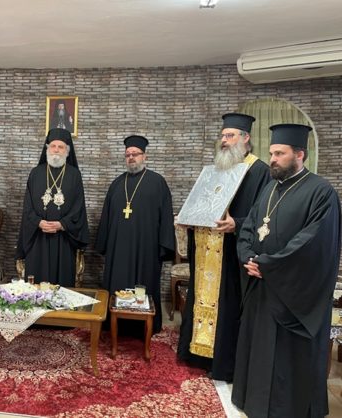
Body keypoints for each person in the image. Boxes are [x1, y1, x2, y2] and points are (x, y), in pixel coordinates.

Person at [232, 123, 340, 417]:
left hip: (291, 293)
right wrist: (248, 257)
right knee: (258, 348)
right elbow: (249, 228)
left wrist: (268, 264)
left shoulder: (321, 192)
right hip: (261, 286)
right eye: (271, 153)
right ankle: (253, 401)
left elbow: (312, 243)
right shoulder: (269, 188)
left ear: (299, 154)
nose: (273, 159)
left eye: (280, 153)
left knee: (284, 358)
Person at [177, 113, 271, 382]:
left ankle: (222, 360)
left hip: (231, 251)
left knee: (227, 305)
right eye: (223, 136)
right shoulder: (215, 170)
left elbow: (264, 215)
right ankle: (197, 353)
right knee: (200, 298)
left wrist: (237, 224)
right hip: (206, 247)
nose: (224, 140)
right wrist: (189, 219)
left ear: (246, 138)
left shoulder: (259, 171)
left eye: (230, 136)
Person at [97, 135, 175, 334]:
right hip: (118, 249)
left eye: (135, 154)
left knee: (144, 286)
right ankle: (115, 324)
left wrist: (164, 247)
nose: (131, 157)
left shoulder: (157, 183)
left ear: (144, 156)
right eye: (128, 155)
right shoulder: (117, 184)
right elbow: (106, 217)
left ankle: (142, 327)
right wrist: (103, 244)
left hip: (146, 249)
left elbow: (166, 217)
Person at [17, 128, 88, 286]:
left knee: (62, 286)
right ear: (47, 149)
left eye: (60, 147)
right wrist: (38, 222)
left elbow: (78, 207)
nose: (56, 150)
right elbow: (28, 205)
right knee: (36, 286)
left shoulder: (74, 175)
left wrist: (62, 224)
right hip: (38, 237)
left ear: (67, 151)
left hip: (63, 239)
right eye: (53, 146)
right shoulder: (35, 173)